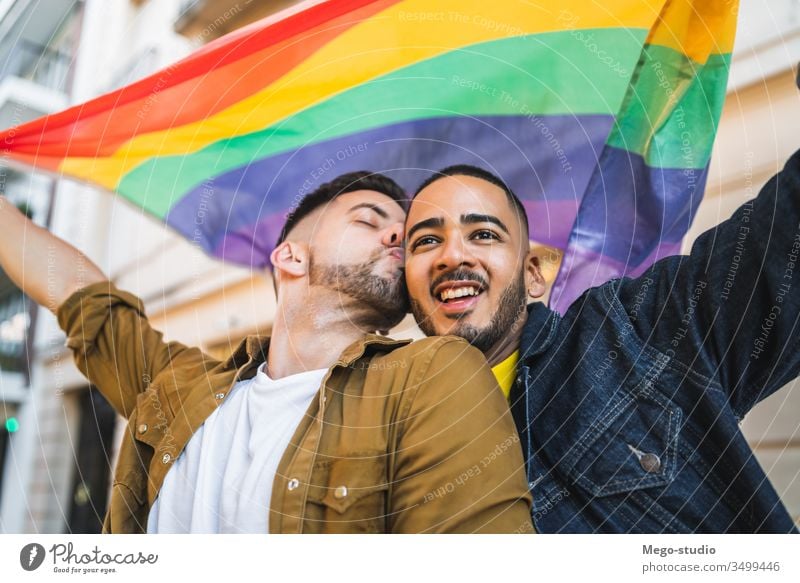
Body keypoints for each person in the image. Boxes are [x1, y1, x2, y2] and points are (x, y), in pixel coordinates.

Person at [0, 171, 533, 534]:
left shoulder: (433, 376)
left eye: (408, 235)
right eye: (370, 220)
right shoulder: (177, 385)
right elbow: (78, 292)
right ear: (291, 257)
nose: (400, 233)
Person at [404, 160, 800, 533]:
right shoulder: (391, 439)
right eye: (425, 241)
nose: (451, 255)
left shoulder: (631, 333)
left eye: (484, 234)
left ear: (532, 276)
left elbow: (781, 246)